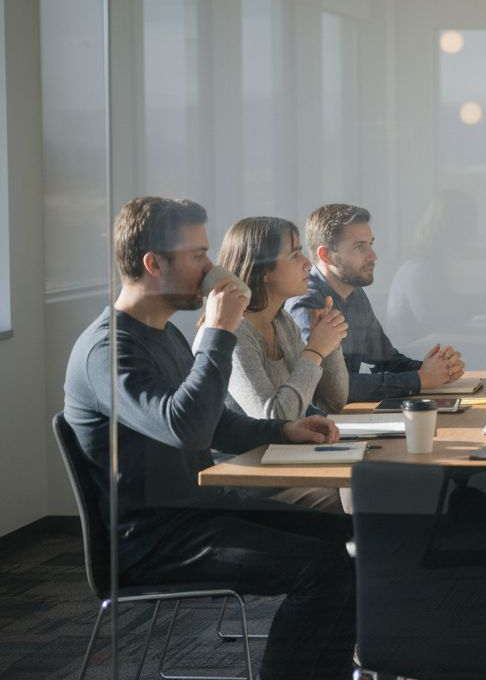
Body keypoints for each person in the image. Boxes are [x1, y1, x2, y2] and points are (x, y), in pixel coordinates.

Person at [63, 197, 356, 678]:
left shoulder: (163, 335)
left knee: (344, 538)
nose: (212, 267)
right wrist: (219, 329)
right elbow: (187, 428)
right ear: (153, 264)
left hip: (197, 511)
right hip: (154, 537)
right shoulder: (108, 350)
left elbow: (214, 422)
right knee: (320, 568)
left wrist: (282, 428)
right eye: (197, 255)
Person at [287, 203, 465, 402]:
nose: (373, 256)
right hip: (318, 425)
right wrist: (419, 378)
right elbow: (327, 389)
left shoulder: (354, 293)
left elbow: (386, 360)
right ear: (326, 255)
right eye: (359, 247)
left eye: (370, 244)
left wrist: (438, 368)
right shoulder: (307, 304)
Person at [200, 216, 349, 420]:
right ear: (264, 270)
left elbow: (333, 401)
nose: (308, 263)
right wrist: (315, 350)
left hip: (283, 451)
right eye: (295, 254)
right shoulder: (234, 332)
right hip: (246, 453)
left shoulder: (283, 322)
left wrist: (329, 345)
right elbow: (274, 419)